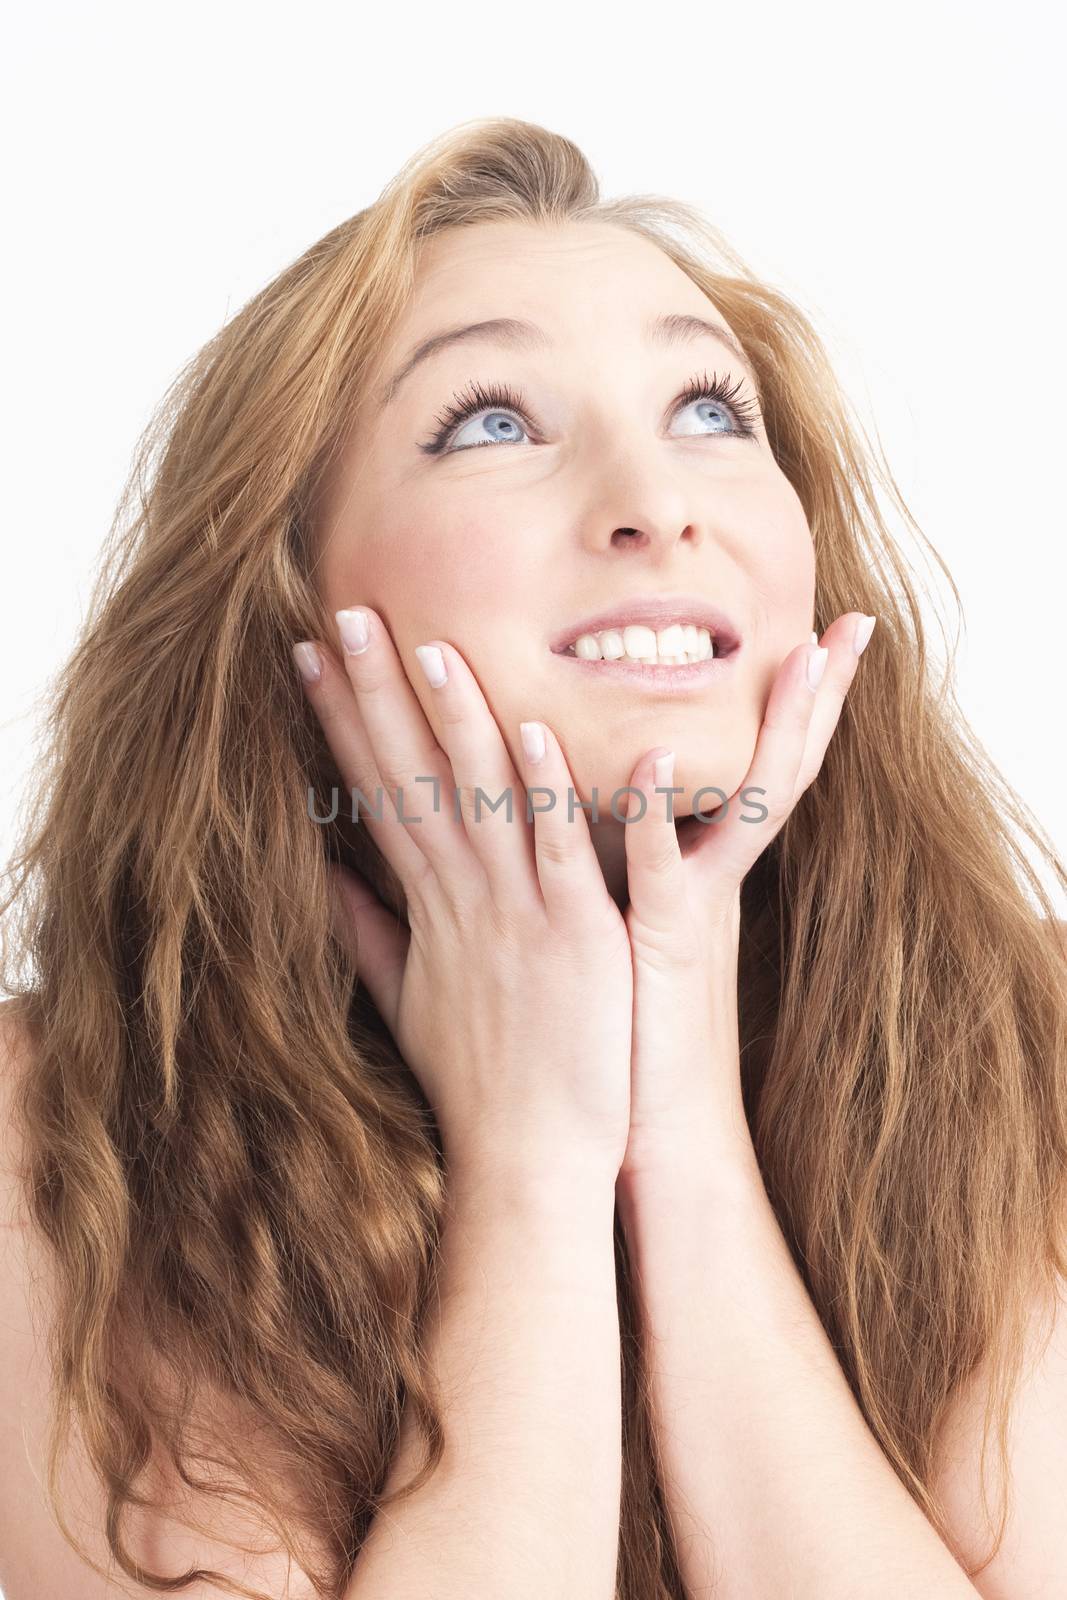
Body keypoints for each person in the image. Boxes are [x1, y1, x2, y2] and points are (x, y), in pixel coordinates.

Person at [2, 114, 1066, 1600]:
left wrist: (681, 1141)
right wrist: (533, 1173)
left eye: (711, 407)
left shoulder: (1029, 1044)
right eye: (492, 422)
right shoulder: (50, 1132)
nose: (656, 501)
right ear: (287, 599)